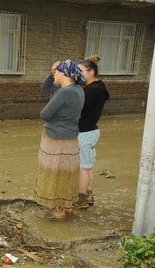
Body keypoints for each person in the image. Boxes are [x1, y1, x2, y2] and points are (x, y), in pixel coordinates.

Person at [35, 59, 85, 220]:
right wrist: (51, 73)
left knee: (55, 175)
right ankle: (68, 207)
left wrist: (53, 115)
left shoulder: (65, 92)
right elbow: (45, 87)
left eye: (55, 71)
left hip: (56, 140)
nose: (53, 73)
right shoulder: (77, 89)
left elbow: (45, 114)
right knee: (67, 174)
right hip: (71, 139)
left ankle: (58, 211)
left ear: (64, 73)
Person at [72, 55, 110, 209]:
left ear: (91, 71)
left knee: (83, 167)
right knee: (88, 166)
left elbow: (77, 109)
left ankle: (81, 200)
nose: (78, 74)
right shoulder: (100, 87)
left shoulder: (90, 90)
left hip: (85, 133)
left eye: (80, 71)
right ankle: (89, 195)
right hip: (92, 131)